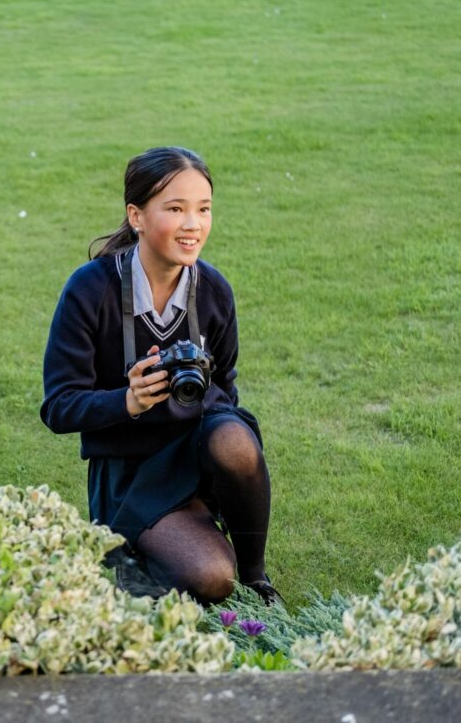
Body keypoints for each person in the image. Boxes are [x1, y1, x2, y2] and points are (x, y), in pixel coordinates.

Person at [40, 146, 281, 605]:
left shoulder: (213, 289)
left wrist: (198, 401)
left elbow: (226, 386)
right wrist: (126, 401)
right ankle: (123, 551)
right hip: (131, 472)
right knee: (211, 579)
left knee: (235, 438)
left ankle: (257, 577)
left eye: (203, 210)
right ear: (137, 215)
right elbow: (58, 406)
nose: (193, 224)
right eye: (175, 209)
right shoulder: (90, 290)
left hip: (194, 452)